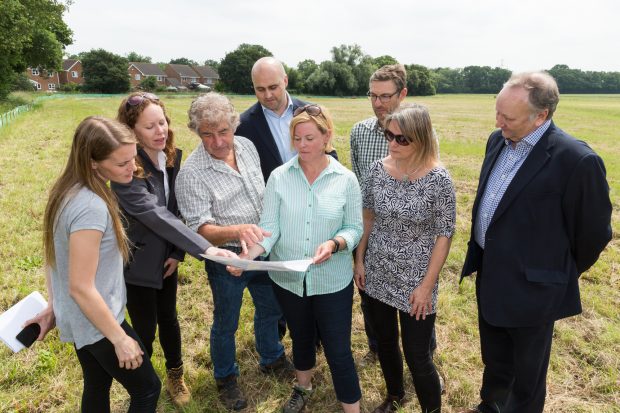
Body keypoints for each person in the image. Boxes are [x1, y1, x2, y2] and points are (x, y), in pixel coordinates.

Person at [459, 72, 612, 413]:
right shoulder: (497, 140)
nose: (498, 122)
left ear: (540, 115)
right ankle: (491, 406)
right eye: (497, 112)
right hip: (492, 276)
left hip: (535, 291)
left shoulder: (576, 160)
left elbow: (593, 233)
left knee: (527, 379)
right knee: (495, 360)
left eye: (508, 117)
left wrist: (552, 272)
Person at [112, 92, 237, 406]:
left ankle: (175, 376)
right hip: (137, 265)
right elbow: (156, 215)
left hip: (166, 260)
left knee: (169, 319)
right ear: (131, 132)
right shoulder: (128, 170)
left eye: (163, 122)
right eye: (149, 126)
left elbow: (177, 209)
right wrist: (206, 249)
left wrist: (176, 253)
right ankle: (142, 386)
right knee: (143, 327)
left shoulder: (171, 158)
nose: (160, 131)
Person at [29, 116, 162, 412]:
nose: (133, 168)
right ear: (92, 162)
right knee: (148, 389)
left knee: (97, 382)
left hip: (81, 318)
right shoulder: (89, 206)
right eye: (121, 163)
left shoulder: (67, 190)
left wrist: (55, 305)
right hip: (99, 321)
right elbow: (80, 285)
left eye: (133, 158)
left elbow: (55, 259)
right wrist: (119, 338)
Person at [242, 105, 363, 413]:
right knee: (301, 337)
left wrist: (335, 244)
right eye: (297, 139)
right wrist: (248, 257)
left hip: (332, 281)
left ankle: (352, 407)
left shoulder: (345, 180)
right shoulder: (279, 177)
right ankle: (303, 386)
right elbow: (269, 228)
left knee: (338, 350)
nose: (303, 145)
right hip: (289, 280)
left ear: (326, 137)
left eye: (310, 138)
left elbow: (354, 228)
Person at [175, 92, 291, 412]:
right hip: (226, 259)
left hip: (261, 248)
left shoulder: (248, 147)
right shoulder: (192, 173)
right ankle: (226, 378)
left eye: (223, 131)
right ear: (197, 133)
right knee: (226, 321)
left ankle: (271, 356)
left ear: (234, 125)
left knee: (271, 307)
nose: (218, 141)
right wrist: (237, 230)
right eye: (207, 134)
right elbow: (200, 229)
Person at [355, 103, 455, 413]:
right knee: (385, 343)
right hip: (377, 271)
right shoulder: (376, 170)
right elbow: (367, 216)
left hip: (416, 279)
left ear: (421, 138)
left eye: (402, 139)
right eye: (389, 135)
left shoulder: (439, 179)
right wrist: (360, 260)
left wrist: (427, 286)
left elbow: (444, 234)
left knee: (417, 354)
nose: (393, 143)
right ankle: (394, 396)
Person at [236, 56, 336, 342]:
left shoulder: (311, 111)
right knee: (277, 275)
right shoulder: (244, 124)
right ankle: (278, 332)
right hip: (274, 209)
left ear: (285, 81)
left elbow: (330, 152)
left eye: (273, 87)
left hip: (314, 209)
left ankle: (314, 335)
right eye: (259, 89)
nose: (267, 95)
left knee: (310, 270)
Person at [349, 64, 408, 365]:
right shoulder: (359, 132)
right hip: (368, 230)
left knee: (412, 300)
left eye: (385, 96)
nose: (378, 103)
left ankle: (420, 355)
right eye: (373, 96)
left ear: (403, 94)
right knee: (369, 295)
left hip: (407, 234)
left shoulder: (420, 133)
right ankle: (377, 347)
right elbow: (359, 183)